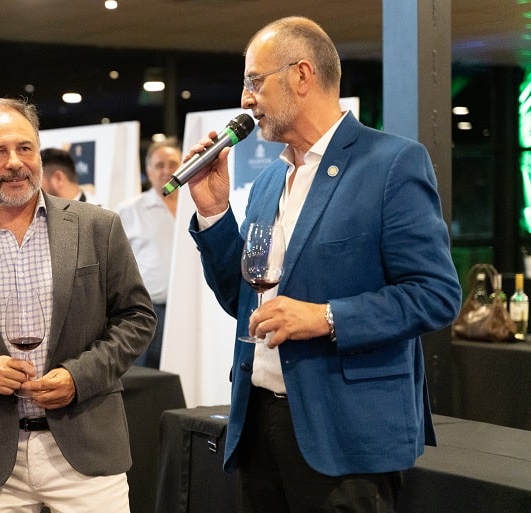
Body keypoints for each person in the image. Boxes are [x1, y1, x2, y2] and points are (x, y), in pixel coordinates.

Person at [183, 17, 462, 513]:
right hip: (259, 427)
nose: (245, 99)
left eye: (254, 81)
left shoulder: (392, 163)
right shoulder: (269, 181)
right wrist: (214, 212)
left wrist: (326, 316)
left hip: (345, 435)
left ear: (302, 75)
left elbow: (436, 295)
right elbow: (243, 300)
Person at [0, 97, 156, 513]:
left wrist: (78, 377)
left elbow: (137, 319)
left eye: (24, 147)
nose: (15, 162)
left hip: (87, 447)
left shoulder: (97, 227)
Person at [116, 139, 181, 368]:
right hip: (150, 312)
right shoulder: (129, 211)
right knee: (149, 378)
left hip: (191, 309)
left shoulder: (196, 206)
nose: (166, 170)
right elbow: (115, 265)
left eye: (172, 164)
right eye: (159, 165)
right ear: (148, 171)